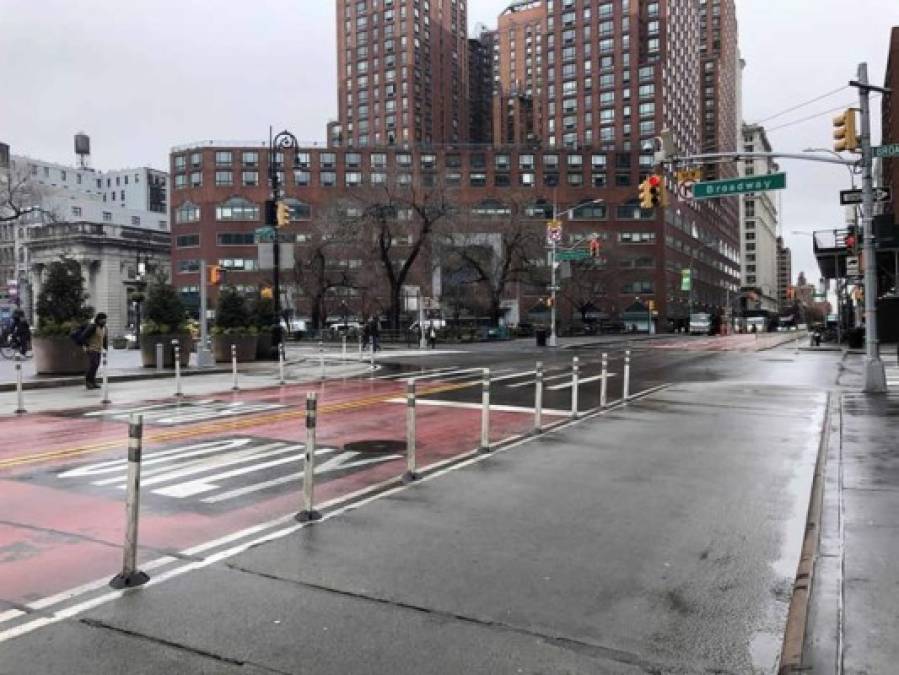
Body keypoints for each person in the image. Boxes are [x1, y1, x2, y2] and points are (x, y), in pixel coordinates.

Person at [82, 313, 108, 390]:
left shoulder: (104, 328)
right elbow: (83, 336)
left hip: (98, 349)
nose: (104, 320)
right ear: (98, 320)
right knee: (93, 364)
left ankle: (93, 382)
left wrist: (106, 348)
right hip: (91, 349)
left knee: (96, 365)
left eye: (105, 319)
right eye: (102, 319)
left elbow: (104, 339)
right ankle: (88, 382)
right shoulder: (92, 327)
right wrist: (87, 346)